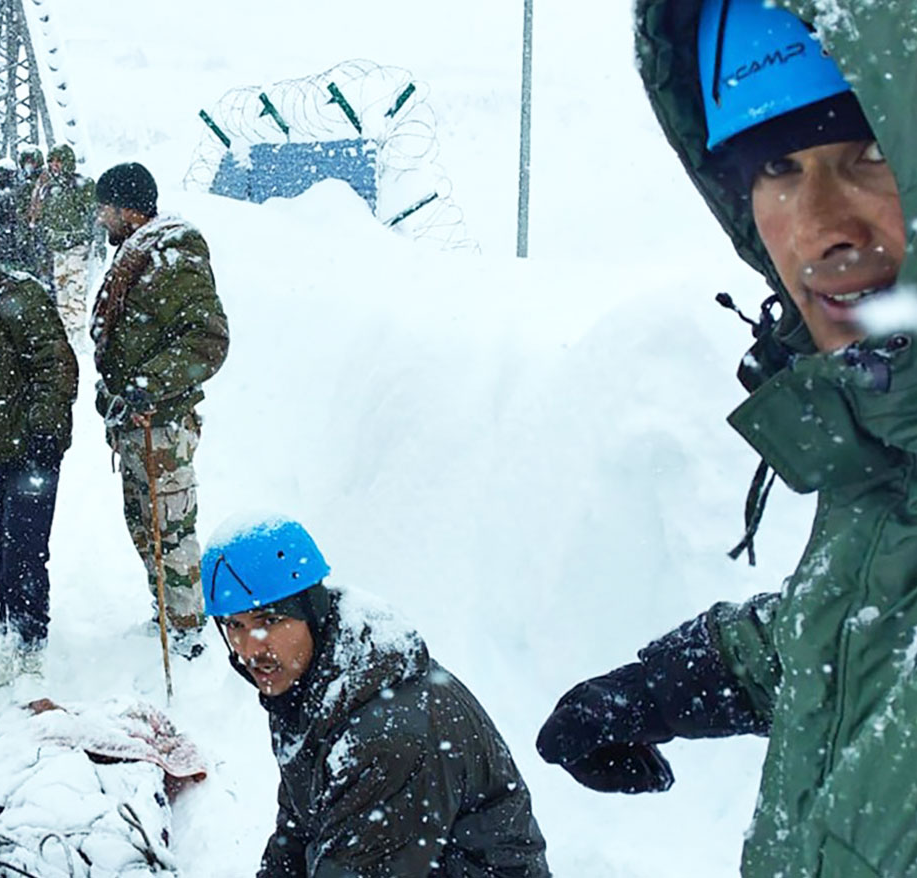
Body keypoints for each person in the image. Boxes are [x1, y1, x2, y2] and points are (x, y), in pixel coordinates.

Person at [537, 2, 917, 875]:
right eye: (778, 164)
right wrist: (677, 680)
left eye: (870, 152)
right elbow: (873, 624)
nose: (821, 225)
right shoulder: (886, 453)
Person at [204, 515, 551, 877]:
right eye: (234, 625)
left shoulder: (388, 732)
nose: (250, 648)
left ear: (312, 611)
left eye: (270, 621)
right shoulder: (307, 685)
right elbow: (298, 832)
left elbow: (358, 869)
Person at [90, 161, 228, 659]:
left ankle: (189, 630)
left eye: (106, 209)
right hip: (134, 420)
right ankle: (167, 611)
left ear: (129, 210)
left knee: (169, 526)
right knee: (143, 522)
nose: (101, 219)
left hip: (163, 423)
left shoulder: (174, 254)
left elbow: (209, 339)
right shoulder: (139, 253)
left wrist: (152, 386)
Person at [0, 242, 78, 690]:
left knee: (24, 553)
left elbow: (56, 366)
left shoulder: (18, 296)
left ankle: (30, 648)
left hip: (29, 452)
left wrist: (42, 435)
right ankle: (12, 627)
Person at [28, 144, 102, 333]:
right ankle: (66, 332)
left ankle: (77, 334)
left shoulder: (82, 185)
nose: (54, 165)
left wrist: (87, 238)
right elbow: (40, 217)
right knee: (61, 293)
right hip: (57, 247)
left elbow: (94, 217)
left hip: (77, 247)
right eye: (51, 161)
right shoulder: (48, 187)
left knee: (75, 292)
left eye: (58, 161)